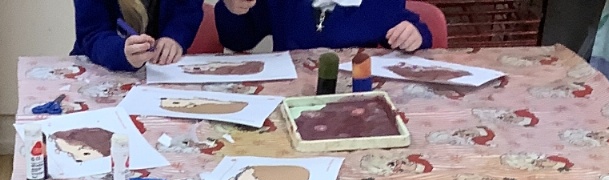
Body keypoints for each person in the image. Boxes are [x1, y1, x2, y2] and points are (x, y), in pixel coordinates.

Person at [216, 0, 431, 55]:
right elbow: (238, 39)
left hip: (357, 96)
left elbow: (410, 30)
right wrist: (233, 9)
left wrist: (415, 35)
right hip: (290, 95)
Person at [74, 0, 205, 71]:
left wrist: (174, 38)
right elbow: (92, 33)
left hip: (163, 72)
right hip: (100, 71)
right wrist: (121, 52)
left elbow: (188, 12)